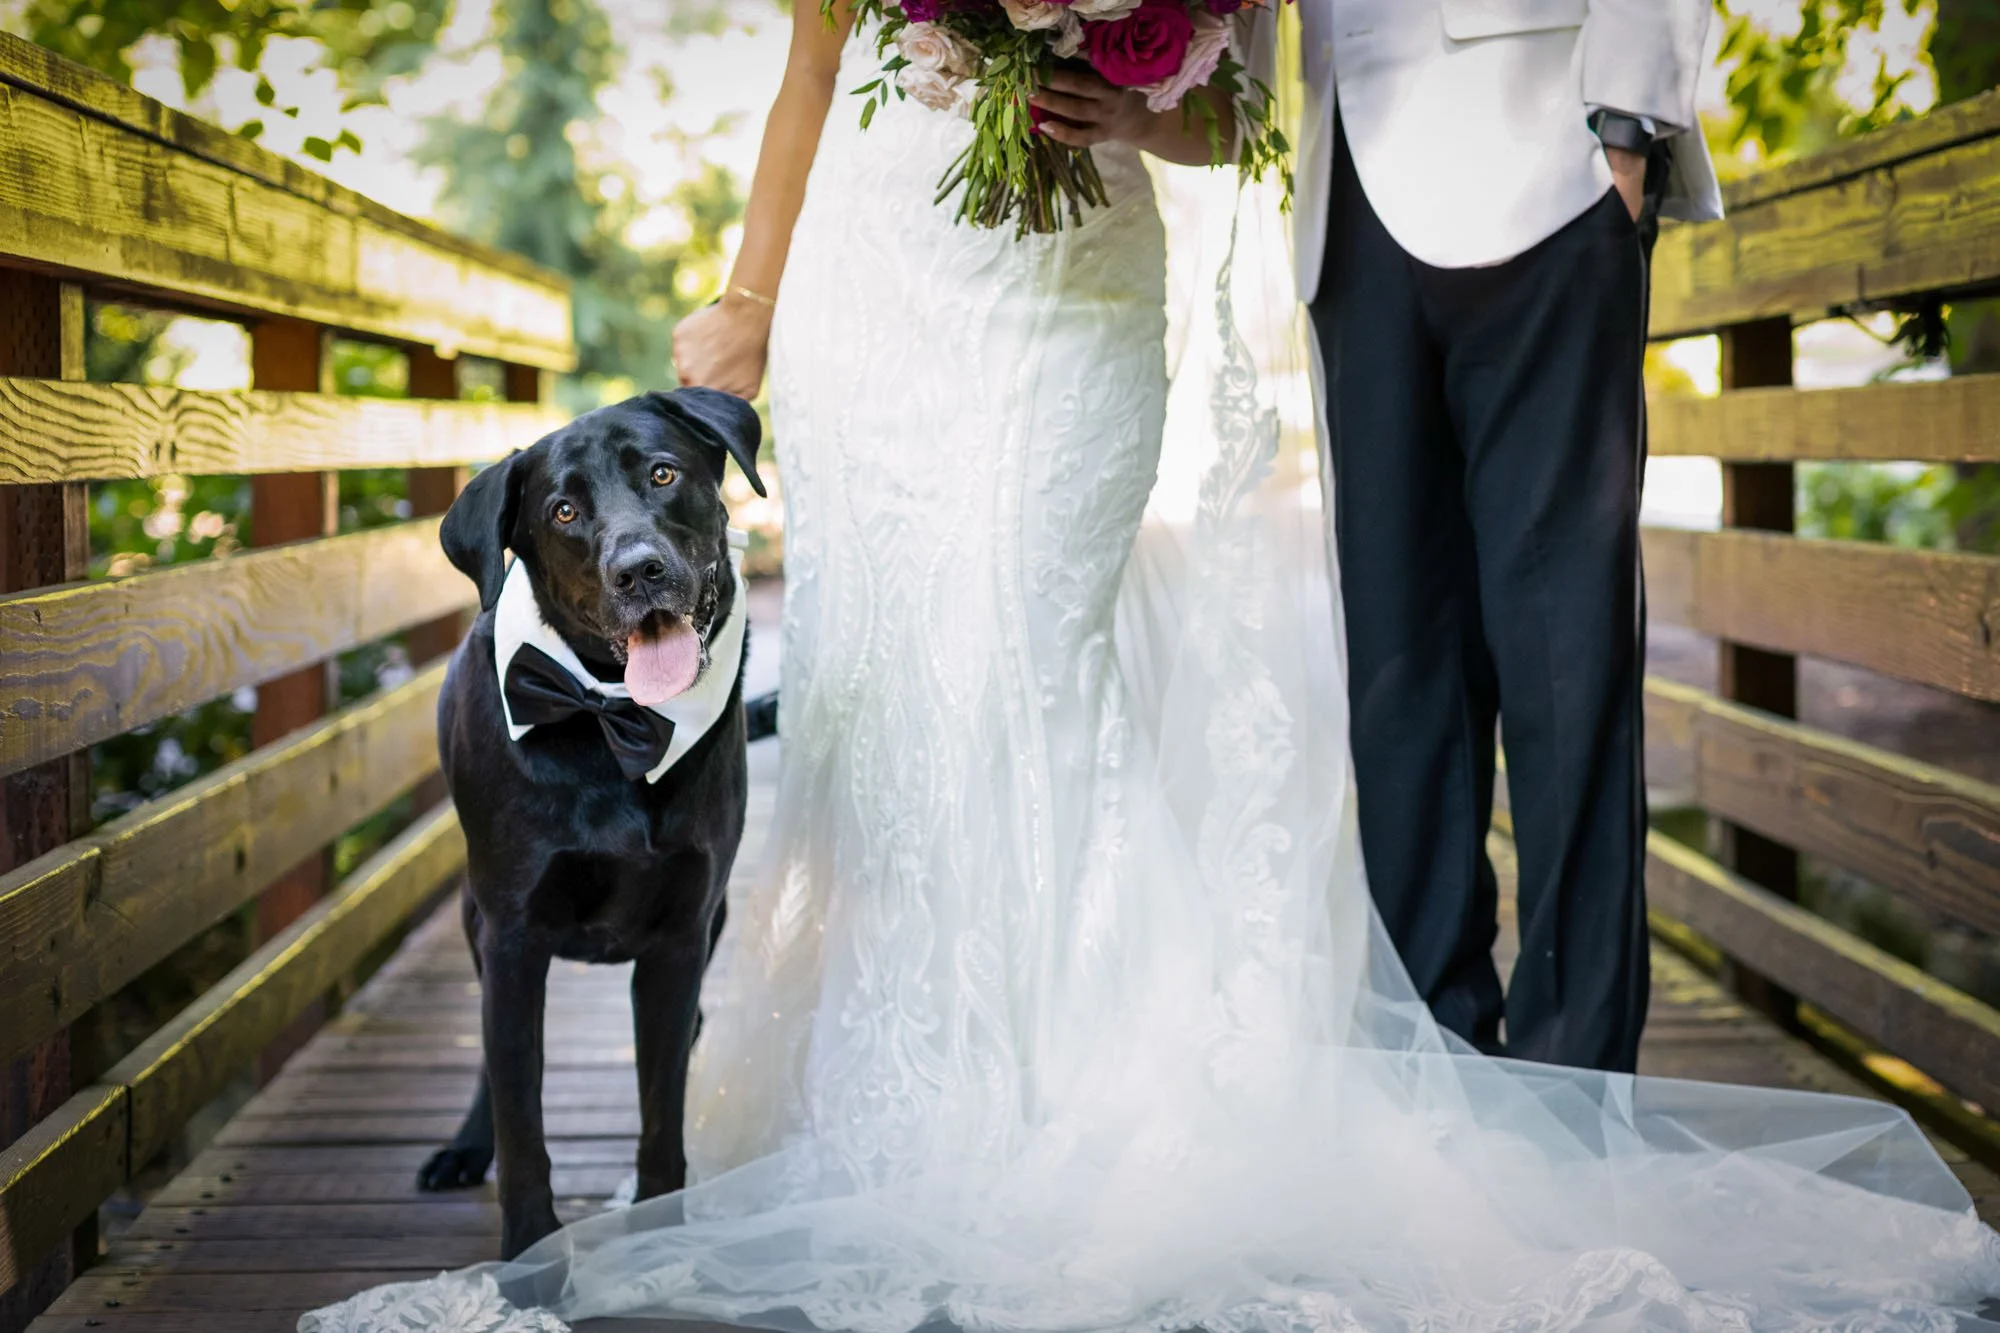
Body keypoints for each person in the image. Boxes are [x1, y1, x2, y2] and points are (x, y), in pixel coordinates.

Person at [302, 6, 2000, 1330]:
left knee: (1071, 653)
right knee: (934, 681)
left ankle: (1273, 1098)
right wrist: (749, 300)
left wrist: (1153, 85)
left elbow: (1233, 85)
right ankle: (924, 1082)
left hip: (1178, 253)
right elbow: (817, 57)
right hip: (902, 284)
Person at [1288, 0, 1721, 1074]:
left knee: (1561, 652)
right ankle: (1429, 1058)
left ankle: (1573, 1075)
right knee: (1396, 660)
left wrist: (1628, 123)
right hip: (1346, 183)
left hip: (1541, 159)